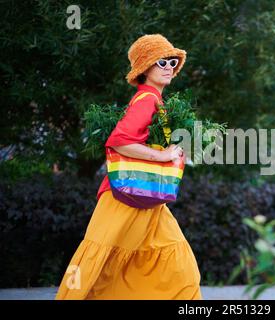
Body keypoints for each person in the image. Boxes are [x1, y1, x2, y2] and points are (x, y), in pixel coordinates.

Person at [55, 34, 202, 300]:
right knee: (99, 265)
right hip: (124, 197)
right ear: (145, 68)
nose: (169, 66)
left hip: (146, 196)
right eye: (162, 61)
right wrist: (163, 155)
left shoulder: (156, 100)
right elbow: (120, 141)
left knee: (174, 265)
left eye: (172, 61)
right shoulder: (146, 100)